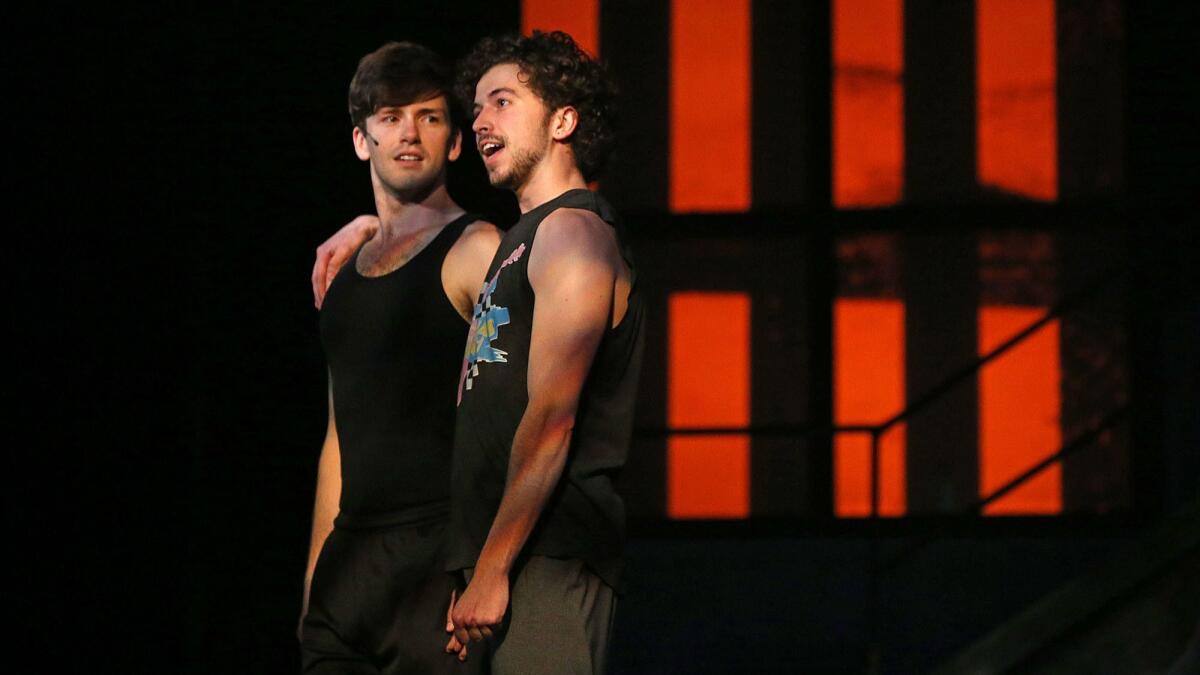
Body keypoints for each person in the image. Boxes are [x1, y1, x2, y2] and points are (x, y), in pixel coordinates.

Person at [444, 31, 643, 675]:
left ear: (563, 120)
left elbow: (553, 417)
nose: (479, 122)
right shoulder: (521, 241)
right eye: (475, 108)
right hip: (504, 562)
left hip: (550, 560)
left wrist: (494, 567)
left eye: (501, 102)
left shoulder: (574, 233)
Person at [299, 41, 500, 675]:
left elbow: (505, 423)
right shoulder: (342, 270)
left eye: (430, 117)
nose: (409, 133)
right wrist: (314, 587)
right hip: (349, 571)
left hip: (434, 564)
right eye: (390, 117)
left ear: (456, 141)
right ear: (362, 140)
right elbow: (339, 437)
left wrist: (477, 571)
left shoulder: (478, 249)